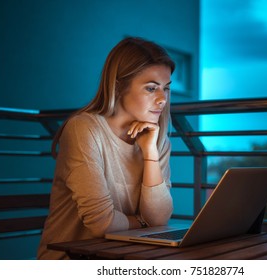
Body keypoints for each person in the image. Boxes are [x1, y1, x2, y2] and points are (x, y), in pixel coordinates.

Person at [37, 37, 175, 259]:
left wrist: (150, 153)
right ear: (119, 86)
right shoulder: (84, 129)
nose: (162, 99)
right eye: (151, 88)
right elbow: (102, 224)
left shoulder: (158, 140)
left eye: (166, 89)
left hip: (124, 259)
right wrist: (142, 221)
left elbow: (158, 220)